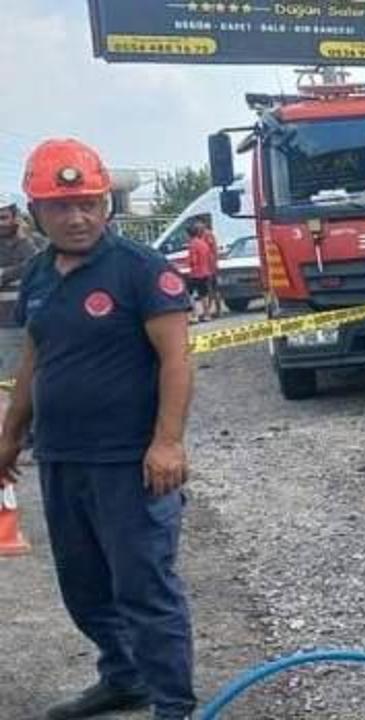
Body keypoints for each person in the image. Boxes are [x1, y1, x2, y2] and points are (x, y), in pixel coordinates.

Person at [0, 138, 197, 720]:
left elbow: (177, 360)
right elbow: (35, 361)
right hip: (62, 458)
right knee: (83, 587)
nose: (77, 215)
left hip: (130, 464)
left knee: (144, 589)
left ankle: (173, 703)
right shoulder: (37, 275)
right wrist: (11, 434)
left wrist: (167, 442)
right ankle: (124, 677)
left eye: (88, 202)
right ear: (37, 210)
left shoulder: (141, 271)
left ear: (106, 204)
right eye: (61, 206)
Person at [0, 192, 42, 288]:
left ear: (15, 218)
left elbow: (44, 269)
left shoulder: (37, 240)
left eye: (3, 218)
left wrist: (24, 241)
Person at [185, 222, 215, 322]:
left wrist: (188, 263)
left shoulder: (192, 244)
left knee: (188, 294)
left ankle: (194, 315)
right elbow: (209, 257)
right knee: (204, 294)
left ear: (189, 234)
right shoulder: (203, 243)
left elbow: (193, 260)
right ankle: (207, 314)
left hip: (196, 273)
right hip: (206, 272)